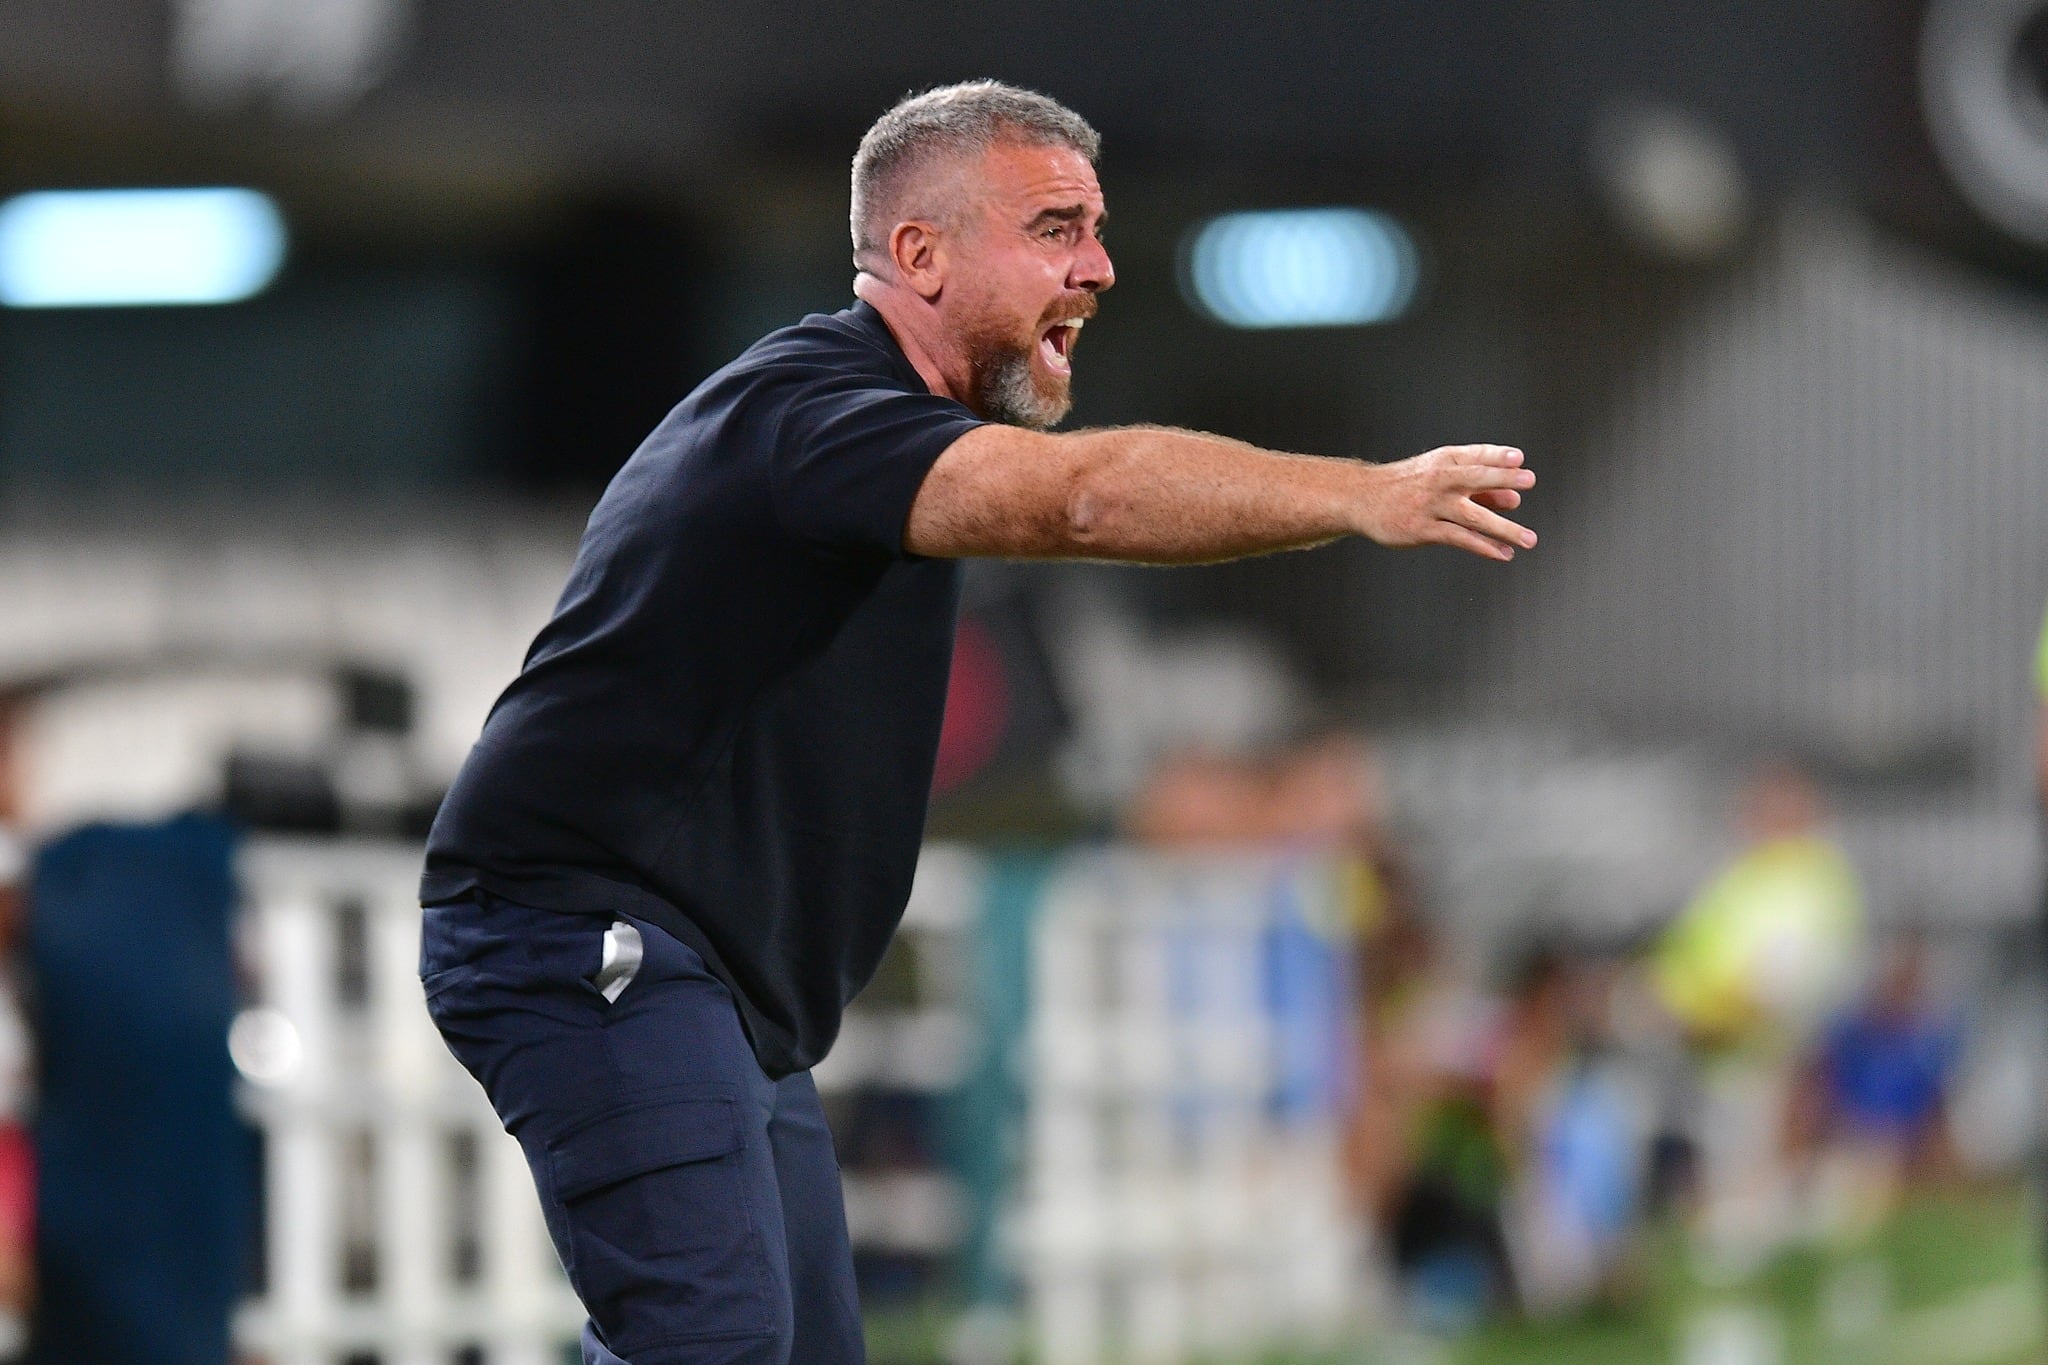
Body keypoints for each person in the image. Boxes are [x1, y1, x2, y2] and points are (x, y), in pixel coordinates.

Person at [417, 80, 1536, 1365]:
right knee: (711, 1349)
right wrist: (1363, 493)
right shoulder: (812, 416)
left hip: (714, 979)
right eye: (1056, 227)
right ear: (917, 255)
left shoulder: (870, 427)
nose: (1100, 267)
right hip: (591, 934)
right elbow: (1085, 504)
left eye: (1096, 229)